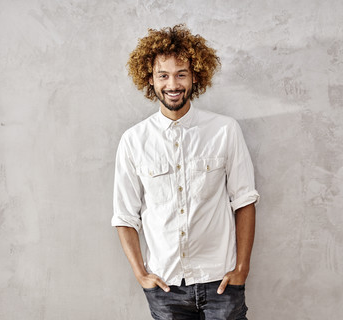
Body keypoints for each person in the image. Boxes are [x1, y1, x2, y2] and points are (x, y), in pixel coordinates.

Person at [111, 24, 259, 320]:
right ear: (149, 79)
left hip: (221, 282)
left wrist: (242, 268)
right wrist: (141, 275)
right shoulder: (133, 141)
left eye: (181, 74)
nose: (173, 84)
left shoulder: (224, 130)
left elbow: (244, 201)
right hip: (166, 288)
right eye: (163, 75)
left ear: (195, 76)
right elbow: (125, 216)